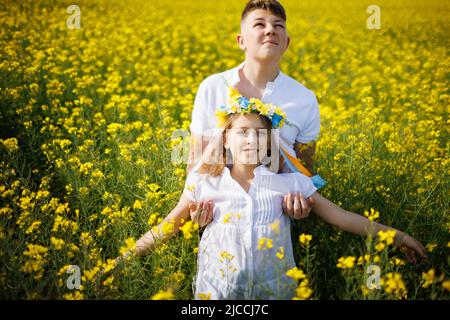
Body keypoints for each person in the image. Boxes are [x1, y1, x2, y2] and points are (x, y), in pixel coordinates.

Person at [120, 91, 427, 300]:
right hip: (216, 292)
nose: (251, 139)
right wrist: (118, 265)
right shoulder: (204, 183)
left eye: (260, 133)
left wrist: (398, 237)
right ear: (226, 138)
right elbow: (167, 226)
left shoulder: (288, 184)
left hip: (275, 291)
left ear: (270, 140)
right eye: (242, 132)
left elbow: (343, 218)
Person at [187, 0, 321, 219]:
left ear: (286, 42)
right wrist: (194, 211)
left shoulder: (305, 99)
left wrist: (299, 203)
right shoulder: (212, 87)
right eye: (260, 24)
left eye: (278, 25)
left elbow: (305, 172)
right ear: (241, 41)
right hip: (218, 218)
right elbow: (195, 162)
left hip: (274, 220)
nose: (270, 30)